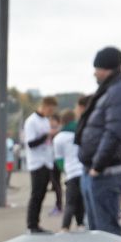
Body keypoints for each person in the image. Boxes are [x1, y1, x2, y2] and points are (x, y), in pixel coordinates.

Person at [76, 46, 121, 234]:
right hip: (95, 170)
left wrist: (98, 165)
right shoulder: (111, 90)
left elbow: (114, 131)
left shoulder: (119, 92)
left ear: (107, 68)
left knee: (106, 232)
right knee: (96, 231)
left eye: (97, 68)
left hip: (104, 172)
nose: (94, 73)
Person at [22, 95, 58, 234]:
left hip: (47, 161)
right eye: (51, 109)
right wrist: (47, 135)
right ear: (45, 106)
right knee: (36, 194)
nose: (51, 113)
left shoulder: (45, 121)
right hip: (37, 162)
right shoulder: (32, 121)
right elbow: (31, 143)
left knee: (42, 193)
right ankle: (32, 224)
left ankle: (36, 222)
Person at [55, 97, 87, 230]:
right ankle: (81, 224)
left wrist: (65, 171)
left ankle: (65, 227)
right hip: (83, 170)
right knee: (81, 201)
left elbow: (59, 161)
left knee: (70, 202)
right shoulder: (81, 132)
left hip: (71, 172)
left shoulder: (59, 138)